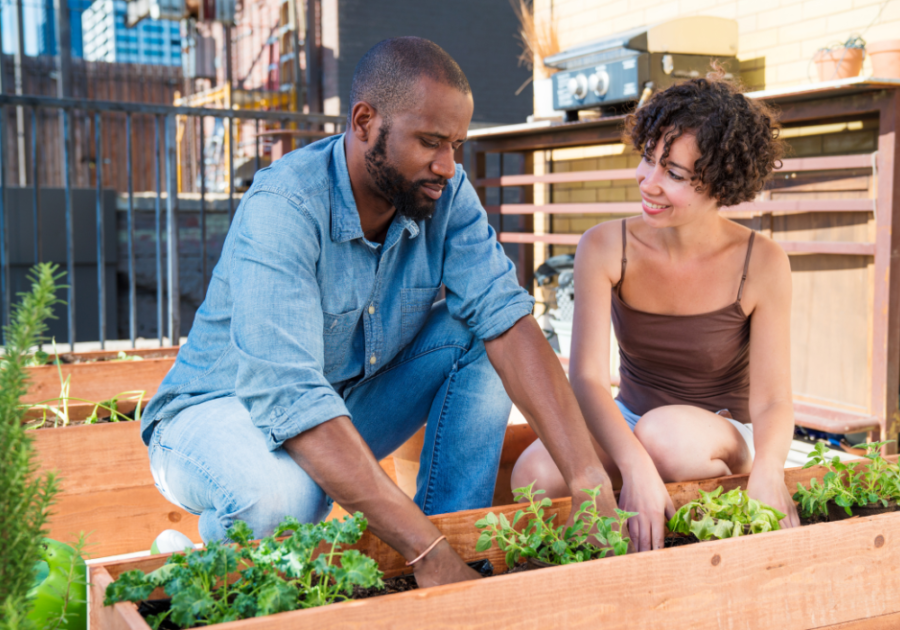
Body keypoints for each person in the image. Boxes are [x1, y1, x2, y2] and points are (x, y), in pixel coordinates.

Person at [141, 37, 616, 587]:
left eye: (457, 145)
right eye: (431, 142)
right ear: (364, 121)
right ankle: (197, 565)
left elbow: (505, 319)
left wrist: (589, 478)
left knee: (479, 332)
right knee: (282, 501)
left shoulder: (443, 191)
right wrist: (425, 551)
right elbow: (291, 398)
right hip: (215, 415)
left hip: (340, 405)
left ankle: (454, 541)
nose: (448, 165)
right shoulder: (285, 207)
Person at [512, 74, 801, 552]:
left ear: (722, 183)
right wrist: (633, 465)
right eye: (648, 158)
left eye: (675, 174)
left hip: (720, 431)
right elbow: (586, 379)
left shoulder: (763, 262)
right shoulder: (605, 246)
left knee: (666, 437)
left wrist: (769, 470)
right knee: (534, 474)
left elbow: (772, 400)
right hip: (632, 419)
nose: (648, 183)